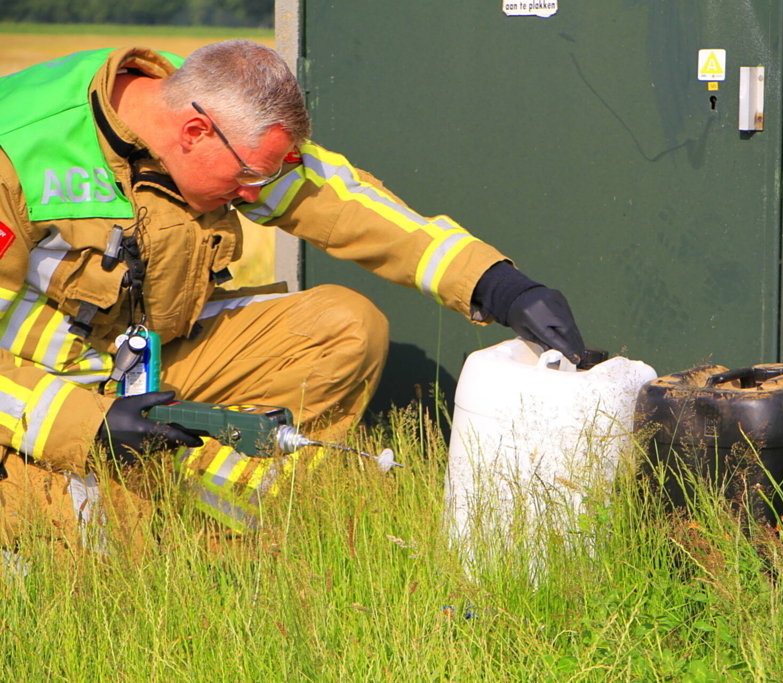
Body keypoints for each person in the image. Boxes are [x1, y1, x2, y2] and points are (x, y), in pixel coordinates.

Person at [0, 40, 584, 548]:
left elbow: (344, 202)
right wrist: (88, 426)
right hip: (41, 396)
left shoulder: (217, 108)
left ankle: (249, 503)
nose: (254, 192)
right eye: (246, 180)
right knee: (102, 547)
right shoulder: (19, 152)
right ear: (195, 132)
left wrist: (497, 284)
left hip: (147, 360)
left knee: (346, 326)